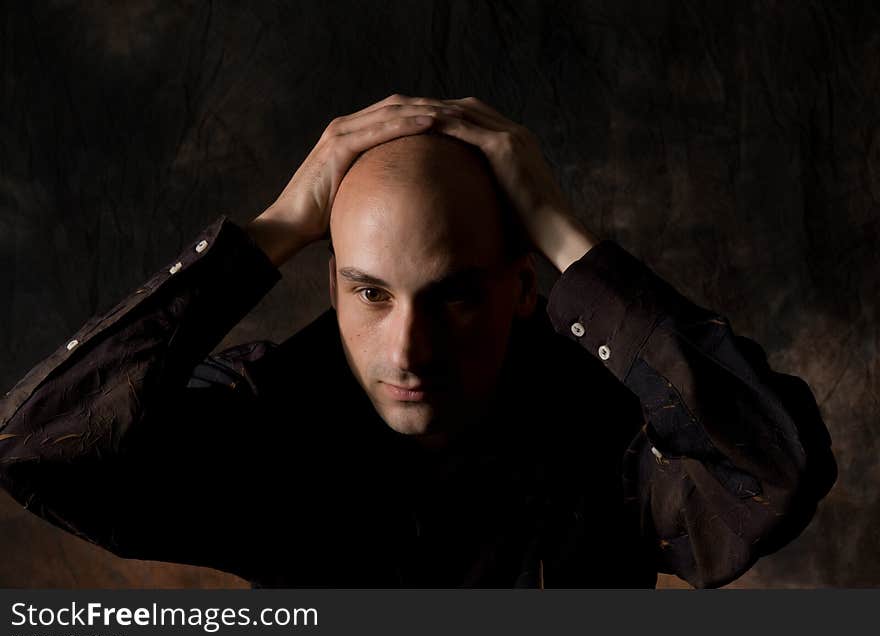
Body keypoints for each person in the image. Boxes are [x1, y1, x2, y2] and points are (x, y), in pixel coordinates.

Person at [0, 94, 836, 588]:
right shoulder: (265, 423)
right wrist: (276, 228)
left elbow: (776, 470)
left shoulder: (615, 436)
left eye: (456, 297)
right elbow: (38, 445)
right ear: (330, 282)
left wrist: (563, 231)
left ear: (521, 288)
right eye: (372, 292)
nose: (407, 348)